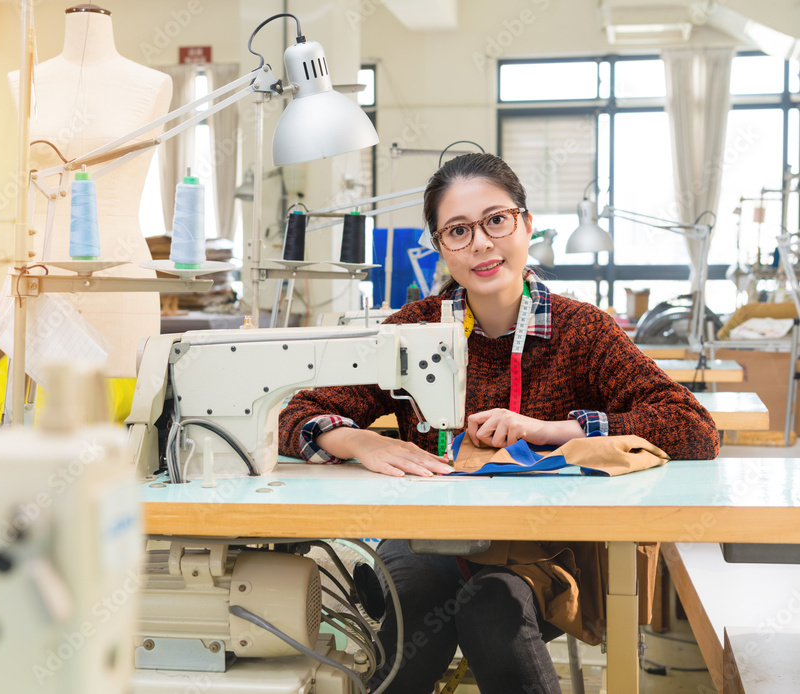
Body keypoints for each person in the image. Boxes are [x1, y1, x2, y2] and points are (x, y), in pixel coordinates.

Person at [278, 152, 719, 693]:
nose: (481, 243)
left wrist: (552, 430)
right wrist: (359, 439)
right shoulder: (412, 330)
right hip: (427, 537)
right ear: (440, 247)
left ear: (526, 224)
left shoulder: (581, 332)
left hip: (537, 547)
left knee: (493, 607)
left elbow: (693, 426)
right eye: (458, 231)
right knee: (413, 601)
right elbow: (293, 412)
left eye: (496, 220)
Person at [9, 4, 171, 378]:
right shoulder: (22, 80)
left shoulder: (152, 83)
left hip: (120, 270)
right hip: (37, 267)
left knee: (124, 416)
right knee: (34, 414)